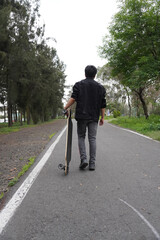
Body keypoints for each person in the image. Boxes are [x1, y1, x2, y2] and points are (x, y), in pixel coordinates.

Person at [64, 65, 106, 171]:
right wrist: (102, 117)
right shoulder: (100, 87)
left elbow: (73, 99)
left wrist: (65, 107)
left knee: (81, 137)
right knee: (92, 138)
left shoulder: (79, 85)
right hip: (94, 117)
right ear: (95, 75)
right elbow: (103, 104)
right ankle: (92, 164)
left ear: (85, 73)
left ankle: (83, 160)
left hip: (82, 116)